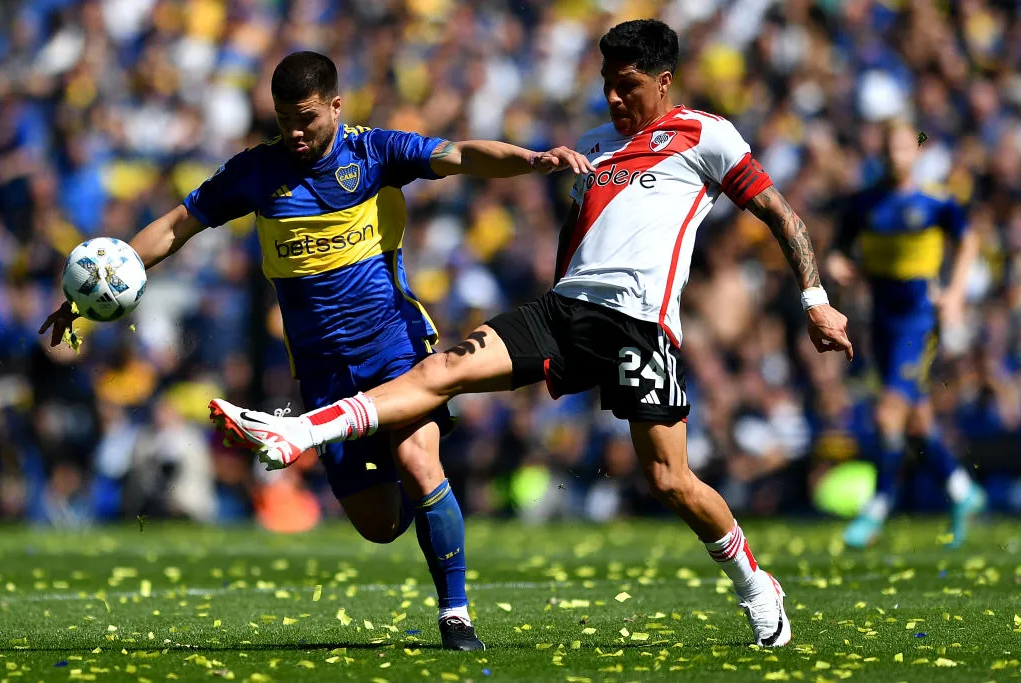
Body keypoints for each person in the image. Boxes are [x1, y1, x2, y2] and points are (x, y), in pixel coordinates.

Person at [208, 20, 853, 648]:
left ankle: (754, 583)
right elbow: (578, 235)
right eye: (606, 84)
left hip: (639, 324)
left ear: (664, 81)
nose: (613, 98)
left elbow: (780, 213)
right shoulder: (594, 145)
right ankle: (302, 431)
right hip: (563, 311)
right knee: (441, 371)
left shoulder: (706, 135)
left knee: (669, 479)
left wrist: (816, 301)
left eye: (627, 85)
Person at [38, 50, 593, 651]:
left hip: (396, 349)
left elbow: (459, 155)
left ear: (335, 105)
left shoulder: (375, 151)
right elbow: (176, 225)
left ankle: (455, 615)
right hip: (324, 370)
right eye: (284, 120)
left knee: (418, 463)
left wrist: (531, 159)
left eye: (306, 118)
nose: (295, 132)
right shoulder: (257, 171)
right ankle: (433, 506)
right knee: (380, 524)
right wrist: (95, 292)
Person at [828, 118, 986, 549]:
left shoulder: (935, 201)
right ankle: (961, 490)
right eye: (889, 148)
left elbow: (969, 241)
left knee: (888, 413)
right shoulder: (864, 203)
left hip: (920, 319)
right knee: (915, 420)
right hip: (881, 318)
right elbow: (839, 250)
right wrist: (839, 266)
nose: (895, 156)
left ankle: (878, 505)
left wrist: (955, 293)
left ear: (915, 151)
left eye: (903, 147)